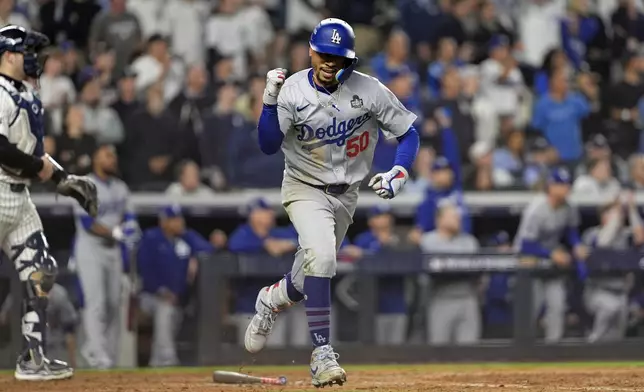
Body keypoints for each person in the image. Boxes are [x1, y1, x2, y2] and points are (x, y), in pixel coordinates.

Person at [245, 18, 420, 387]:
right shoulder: (292, 91)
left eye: (337, 57)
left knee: (305, 279)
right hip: (304, 186)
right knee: (323, 258)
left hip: (347, 195)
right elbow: (267, 145)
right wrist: (268, 101)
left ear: (349, 60)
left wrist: (399, 173)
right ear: (311, 51)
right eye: (324, 54)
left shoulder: (368, 89)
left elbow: (407, 133)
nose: (329, 62)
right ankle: (321, 354)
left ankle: (272, 299)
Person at [0, 25, 97, 381]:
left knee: (42, 270)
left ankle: (31, 358)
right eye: (26, 51)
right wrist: (41, 168)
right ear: (8, 55)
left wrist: (63, 179)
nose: (34, 59)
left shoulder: (24, 92)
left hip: (18, 196)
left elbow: (34, 154)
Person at [73, 144, 139, 369]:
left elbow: (129, 215)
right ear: (95, 160)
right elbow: (87, 222)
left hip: (113, 249)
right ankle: (96, 355)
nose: (112, 160)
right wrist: (115, 232)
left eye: (113, 156)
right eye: (106, 156)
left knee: (112, 304)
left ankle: (105, 355)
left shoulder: (121, 188)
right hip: (90, 248)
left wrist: (130, 227)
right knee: (96, 303)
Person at [514, 167, 588, 343]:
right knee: (532, 306)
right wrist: (550, 254)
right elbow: (526, 244)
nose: (565, 189)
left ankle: (553, 348)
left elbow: (571, 231)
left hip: (552, 261)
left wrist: (577, 245)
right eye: (561, 185)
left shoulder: (569, 207)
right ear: (551, 186)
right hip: (529, 260)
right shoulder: (536, 209)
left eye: (567, 185)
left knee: (557, 304)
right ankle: (525, 347)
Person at [137, 205, 215, 366]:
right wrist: (161, 290)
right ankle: (167, 360)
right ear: (164, 222)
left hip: (177, 298)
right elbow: (144, 269)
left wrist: (215, 243)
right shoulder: (151, 238)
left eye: (180, 219)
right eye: (174, 220)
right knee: (165, 310)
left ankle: (157, 361)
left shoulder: (186, 238)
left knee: (170, 315)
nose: (179, 223)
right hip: (150, 296)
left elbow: (208, 250)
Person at [582, 193, 644, 342]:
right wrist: (616, 212)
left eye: (620, 213)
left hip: (621, 291)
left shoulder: (625, 234)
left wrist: (631, 210)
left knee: (618, 336)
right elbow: (604, 243)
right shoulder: (592, 233)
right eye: (613, 213)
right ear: (603, 216)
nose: (619, 216)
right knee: (606, 317)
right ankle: (590, 351)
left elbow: (640, 237)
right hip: (598, 291)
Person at [420, 203, 481, 345]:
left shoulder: (469, 241)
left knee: (469, 350)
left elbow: (473, 268)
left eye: (458, 216)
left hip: (467, 298)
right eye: (453, 216)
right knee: (439, 349)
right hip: (440, 298)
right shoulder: (428, 240)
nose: (458, 219)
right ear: (440, 219)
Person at [353, 205, 409, 345]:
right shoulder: (363, 239)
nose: (385, 219)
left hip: (397, 303)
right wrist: (379, 245)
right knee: (373, 349)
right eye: (379, 216)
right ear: (371, 220)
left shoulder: (401, 238)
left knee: (397, 348)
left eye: (387, 215)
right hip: (371, 304)